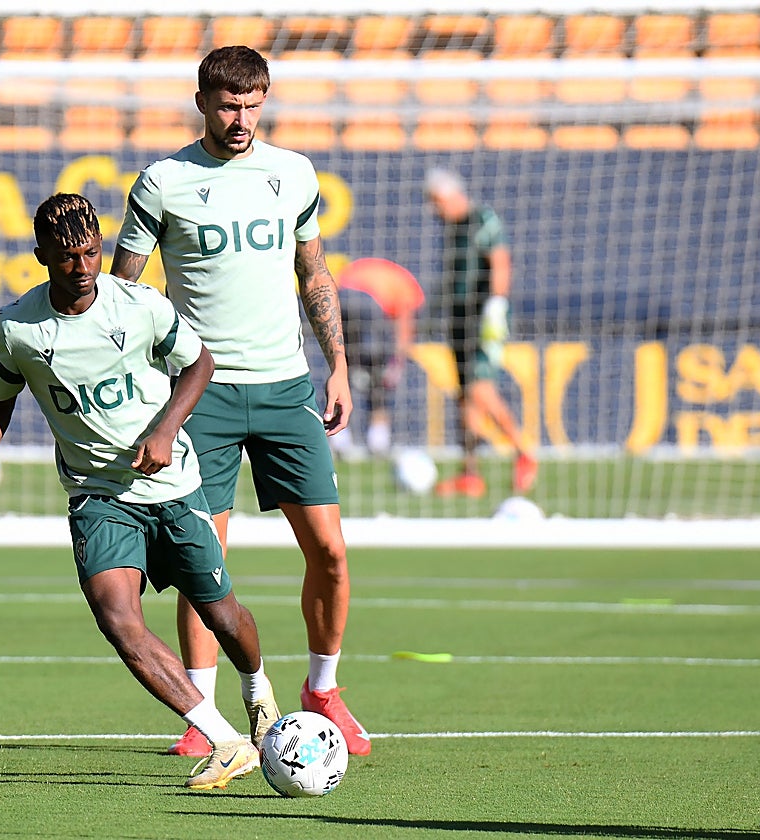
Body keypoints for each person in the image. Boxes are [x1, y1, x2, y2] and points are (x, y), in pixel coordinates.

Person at [0, 193, 280, 790]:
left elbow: (200, 364)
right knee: (118, 620)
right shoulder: (16, 329)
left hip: (172, 486)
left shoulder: (140, 306)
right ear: (41, 255)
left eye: (91, 253)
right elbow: (0, 400)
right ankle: (226, 741)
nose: (81, 267)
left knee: (222, 615)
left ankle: (258, 693)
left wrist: (166, 429)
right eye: (67, 256)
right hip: (97, 496)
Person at [111, 45, 369, 757]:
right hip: (203, 396)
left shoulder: (294, 174)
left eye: (254, 105)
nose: (242, 119)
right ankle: (205, 717)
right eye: (229, 106)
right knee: (206, 563)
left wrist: (338, 365)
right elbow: (123, 293)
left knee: (331, 552)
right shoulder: (163, 182)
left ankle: (324, 689)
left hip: (286, 389)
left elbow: (314, 272)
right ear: (202, 102)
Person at [425, 169, 537, 499]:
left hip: (483, 318)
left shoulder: (481, 219)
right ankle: (470, 473)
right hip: (459, 318)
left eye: (437, 202)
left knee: (480, 389)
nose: (434, 210)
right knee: (464, 396)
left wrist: (497, 305)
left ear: (451, 196)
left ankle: (523, 451)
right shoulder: (453, 228)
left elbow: (500, 260)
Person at [329, 258, 424, 459]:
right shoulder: (409, 290)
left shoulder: (386, 275)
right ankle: (378, 439)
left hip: (340, 298)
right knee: (379, 376)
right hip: (368, 305)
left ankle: (338, 435)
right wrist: (397, 362)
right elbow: (404, 327)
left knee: (342, 370)